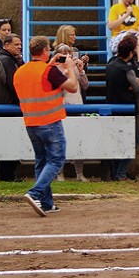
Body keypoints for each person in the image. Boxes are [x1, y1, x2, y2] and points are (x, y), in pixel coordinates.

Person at [14, 36, 79, 216]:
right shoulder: (48, 71)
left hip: (31, 123)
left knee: (42, 160)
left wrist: (51, 65)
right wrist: (70, 68)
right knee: (56, 159)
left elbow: (38, 85)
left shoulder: (21, 71)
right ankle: (35, 193)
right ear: (45, 51)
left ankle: (46, 203)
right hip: (50, 122)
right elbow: (72, 87)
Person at [105, 34, 139, 181]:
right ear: (131, 53)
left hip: (111, 106)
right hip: (126, 109)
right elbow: (137, 87)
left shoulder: (111, 64)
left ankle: (115, 172)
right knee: (134, 140)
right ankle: (121, 172)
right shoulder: (128, 70)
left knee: (115, 141)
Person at [0, 34, 24, 182]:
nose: (20, 47)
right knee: (9, 144)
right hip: (6, 110)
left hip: (3, 108)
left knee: (8, 143)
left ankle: (9, 175)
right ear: (6, 45)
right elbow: (14, 85)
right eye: (16, 44)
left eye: (20, 44)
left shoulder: (7, 60)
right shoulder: (5, 61)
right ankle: (7, 176)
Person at [54, 43, 89, 182]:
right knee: (61, 142)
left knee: (79, 140)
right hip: (62, 108)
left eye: (69, 53)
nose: (67, 55)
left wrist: (81, 71)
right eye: (63, 53)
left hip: (78, 106)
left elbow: (85, 85)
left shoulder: (75, 66)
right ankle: (60, 173)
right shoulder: (54, 69)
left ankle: (79, 173)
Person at [107, 0, 139, 72]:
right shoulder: (115, 8)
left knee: (138, 35)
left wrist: (137, 31)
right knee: (128, 35)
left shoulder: (138, 10)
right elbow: (110, 26)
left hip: (135, 37)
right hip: (118, 37)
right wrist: (126, 15)